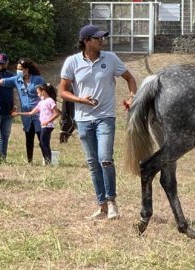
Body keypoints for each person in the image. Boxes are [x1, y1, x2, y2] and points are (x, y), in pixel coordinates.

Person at [58, 25, 137, 220]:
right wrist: (80, 100)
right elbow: (63, 91)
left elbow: (130, 78)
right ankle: (101, 206)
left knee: (105, 158)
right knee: (93, 163)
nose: (102, 41)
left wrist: (132, 96)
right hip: (83, 120)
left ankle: (112, 202)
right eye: (97, 38)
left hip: (105, 118)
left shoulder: (110, 59)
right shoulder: (72, 62)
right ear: (86, 41)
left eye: (103, 38)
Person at [0, 58, 45, 164]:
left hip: (39, 114)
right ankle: (30, 161)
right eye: (17, 68)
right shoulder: (16, 80)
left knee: (42, 137)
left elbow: (47, 93)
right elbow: (0, 82)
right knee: (29, 137)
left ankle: (47, 159)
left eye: (20, 69)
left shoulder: (38, 80)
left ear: (27, 69)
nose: (18, 71)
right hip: (26, 115)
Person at [12, 83, 61, 165]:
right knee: (44, 143)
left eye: (38, 92)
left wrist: (48, 121)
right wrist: (18, 113)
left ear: (43, 92)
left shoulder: (50, 101)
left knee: (43, 143)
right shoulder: (41, 102)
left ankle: (48, 161)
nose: (37, 94)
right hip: (43, 126)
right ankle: (48, 161)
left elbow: (57, 113)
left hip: (47, 126)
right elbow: (31, 113)